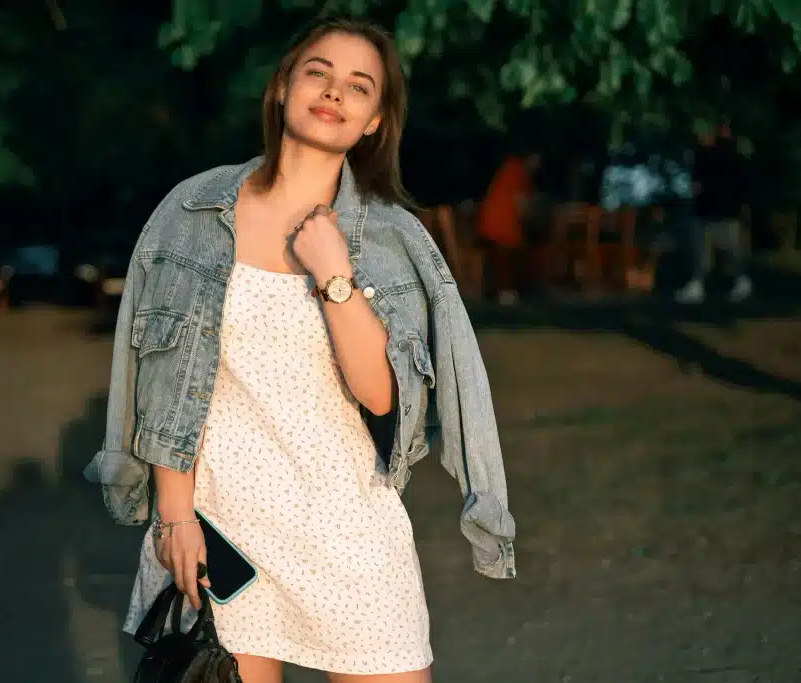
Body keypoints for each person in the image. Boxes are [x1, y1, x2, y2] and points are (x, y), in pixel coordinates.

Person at [82, 16, 516, 683]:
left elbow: (382, 395)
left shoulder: (393, 237)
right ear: (284, 86)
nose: (335, 92)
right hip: (226, 527)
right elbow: (162, 378)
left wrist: (336, 276)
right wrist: (174, 515)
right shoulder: (192, 211)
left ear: (374, 121)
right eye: (318, 72)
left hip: (349, 529)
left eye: (359, 86)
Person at [674, 125, 753, 303]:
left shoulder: (709, 155)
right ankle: (700, 285)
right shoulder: (732, 156)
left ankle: (704, 285)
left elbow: (697, 184)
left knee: (722, 250)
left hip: (714, 210)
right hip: (720, 211)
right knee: (719, 251)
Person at [476, 151, 540, 304]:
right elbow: (521, 203)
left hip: (490, 224)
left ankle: (500, 291)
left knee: (502, 257)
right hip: (502, 226)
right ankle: (505, 292)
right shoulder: (518, 171)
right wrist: (534, 218)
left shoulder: (509, 168)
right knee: (510, 255)